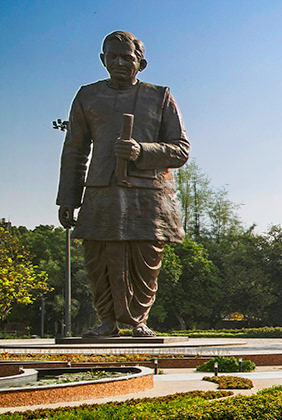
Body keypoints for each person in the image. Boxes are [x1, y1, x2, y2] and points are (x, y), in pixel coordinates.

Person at [57, 31, 188, 338]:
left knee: (146, 258)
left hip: (147, 195)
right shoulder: (88, 96)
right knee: (99, 257)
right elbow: (75, 150)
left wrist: (142, 150)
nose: (118, 62)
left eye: (126, 58)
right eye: (112, 56)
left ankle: (139, 321)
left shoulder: (160, 96)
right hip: (101, 192)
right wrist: (68, 198)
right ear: (103, 60)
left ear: (140, 63)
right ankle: (107, 321)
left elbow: (181, 149)